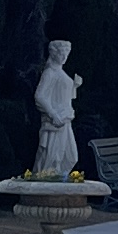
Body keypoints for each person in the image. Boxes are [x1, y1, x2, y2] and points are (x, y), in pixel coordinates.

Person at [31, 41, 83, 178]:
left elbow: (62, 96)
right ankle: (46, 181)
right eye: (61, 53)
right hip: (55, 122)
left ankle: (56, 180)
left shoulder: (59, 72)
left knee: (70, 156)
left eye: (67, 53)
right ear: (54, 54)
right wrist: (53, 114)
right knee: (53, 157)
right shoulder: (50, 73)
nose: (64, 57)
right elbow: (39, 96)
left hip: (65, 120)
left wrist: (74, 87)